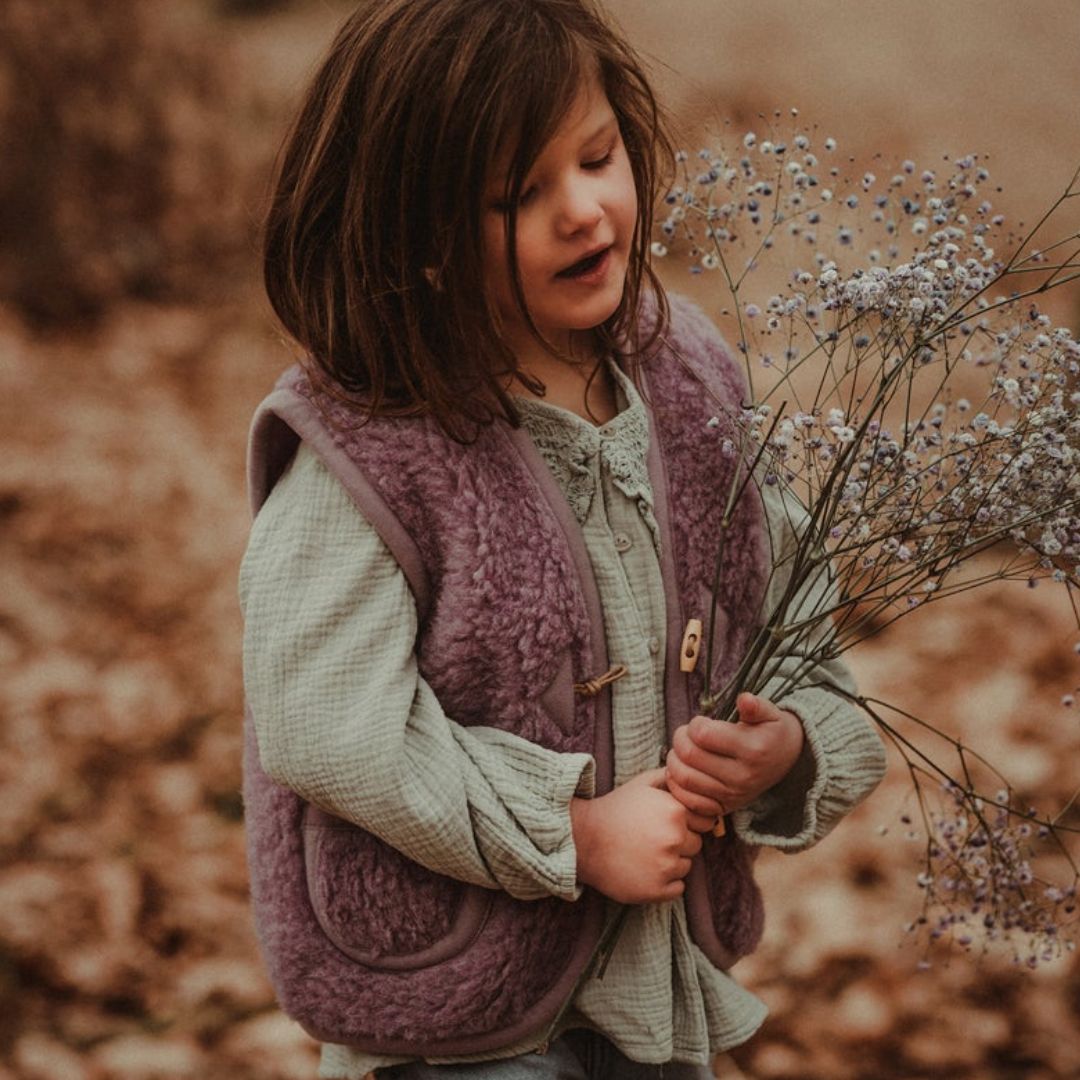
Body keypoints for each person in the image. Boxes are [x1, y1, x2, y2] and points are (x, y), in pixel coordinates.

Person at [239, 1, 887, 1077]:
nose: (583, 210)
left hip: (660, 1002)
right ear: (415, 231)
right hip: (462, 1025)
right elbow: (326, 727)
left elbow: (805, 629)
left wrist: (786, 753)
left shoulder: (689, 380)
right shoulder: (372, 437)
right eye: (516, 194)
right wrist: (574, 835)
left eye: (597, 157)